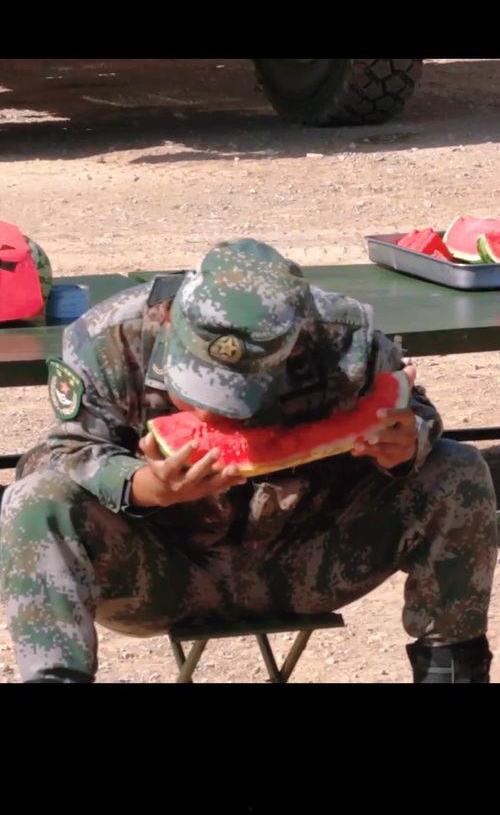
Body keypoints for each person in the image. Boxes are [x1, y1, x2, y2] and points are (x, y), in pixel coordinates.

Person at [0, 238, 496, 683]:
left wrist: (410, 441)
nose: (212, 414)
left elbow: (415, 411)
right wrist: (144, 486)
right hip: (160, 572)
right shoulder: (110, 337)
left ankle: (452, 675)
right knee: (35, 500)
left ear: (296, 341)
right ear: (169, 320)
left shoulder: (343, 336)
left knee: (457, 470)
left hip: (309, 560)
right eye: (198, 384)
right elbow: (66, 450)